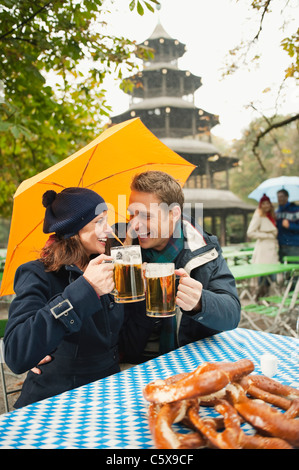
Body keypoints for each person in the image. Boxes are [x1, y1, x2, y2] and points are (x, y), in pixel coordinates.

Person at [3, 187, 153, 408]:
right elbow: (16, 353)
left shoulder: (109, 268)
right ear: (73, 229)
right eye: (99, 222)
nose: (109, 230)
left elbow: (129, 346)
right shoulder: (37, 274)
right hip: (55, 405)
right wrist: (85, 289)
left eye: (108, 221)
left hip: (107, 399)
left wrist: (143, 296)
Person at [114, 171, 240, 362]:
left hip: (189, 361)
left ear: (173, 214)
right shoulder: (117, 246)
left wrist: (200, 302)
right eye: (132, 214)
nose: (135, 225)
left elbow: (232, 314)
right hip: (133, 363)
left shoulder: (203, 248)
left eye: (147, 216)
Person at [246, 193, 279, 298]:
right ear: (261, 205)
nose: (266, 205)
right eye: (263, 203)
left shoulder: (272, 216)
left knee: (271, 275)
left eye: (268, 203)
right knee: (263, 275)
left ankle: (268, 297)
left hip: (272, 248)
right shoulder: (258, 215)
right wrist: (266, 235)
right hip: (264, 248)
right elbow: (250, 232)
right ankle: (260, 298)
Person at [276, 189, 299, 262]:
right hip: (280, 245)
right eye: (278, 197)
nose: (280, 199)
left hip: (293, 245)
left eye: (282, 196)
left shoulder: (296, 210)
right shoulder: (276, 212)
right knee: (283, 271)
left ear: (287, 197)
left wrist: (290, 226)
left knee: (294, 270)